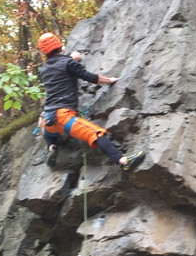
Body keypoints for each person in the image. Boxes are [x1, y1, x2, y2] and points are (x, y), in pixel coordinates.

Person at [37, 32, 145, 171]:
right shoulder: (68, 63)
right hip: (64, 117)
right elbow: (89, 77)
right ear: (59, 45)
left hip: (47, 121)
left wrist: (72, 59)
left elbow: (58, 68)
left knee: (50, 131)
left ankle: (51, 146)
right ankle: (123, 161)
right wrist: (109, 80)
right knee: (96, 133)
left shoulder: (44, 70)